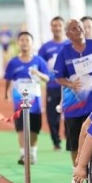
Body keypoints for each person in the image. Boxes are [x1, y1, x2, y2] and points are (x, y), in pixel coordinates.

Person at [53, 19, 92, 183]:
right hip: (74, 104)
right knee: (75, 139)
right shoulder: (64, 52)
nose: (80, 30)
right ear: (68, 34)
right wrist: (71, 85)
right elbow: (58, 77)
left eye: (81, 27)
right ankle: (77, 173)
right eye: (75, 28)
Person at [4, 31, 50, 165]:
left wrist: (38, 73)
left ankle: (33, 153)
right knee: (21, 127)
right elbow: (8, 78)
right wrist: (6, 92)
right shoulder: (13, 62)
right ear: (18, 43)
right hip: (19, 99)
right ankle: (23, 154)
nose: (24, 42)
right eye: (22, 40)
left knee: (35, 128)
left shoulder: (38, 61)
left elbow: (47, 78)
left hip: (35, 100)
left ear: (31, 43)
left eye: (27, 40)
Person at [38, 16, 68, 151]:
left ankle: (70, 139)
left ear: (63, 27)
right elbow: (40, 66)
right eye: (54, 25)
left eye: (59, 25)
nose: (56, 28)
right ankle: (56, 142)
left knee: (70, 114)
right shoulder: (45, 48)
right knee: (52, 116)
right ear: (51, 28)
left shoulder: (69, 45)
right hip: (52, 87)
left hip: (68, 87)